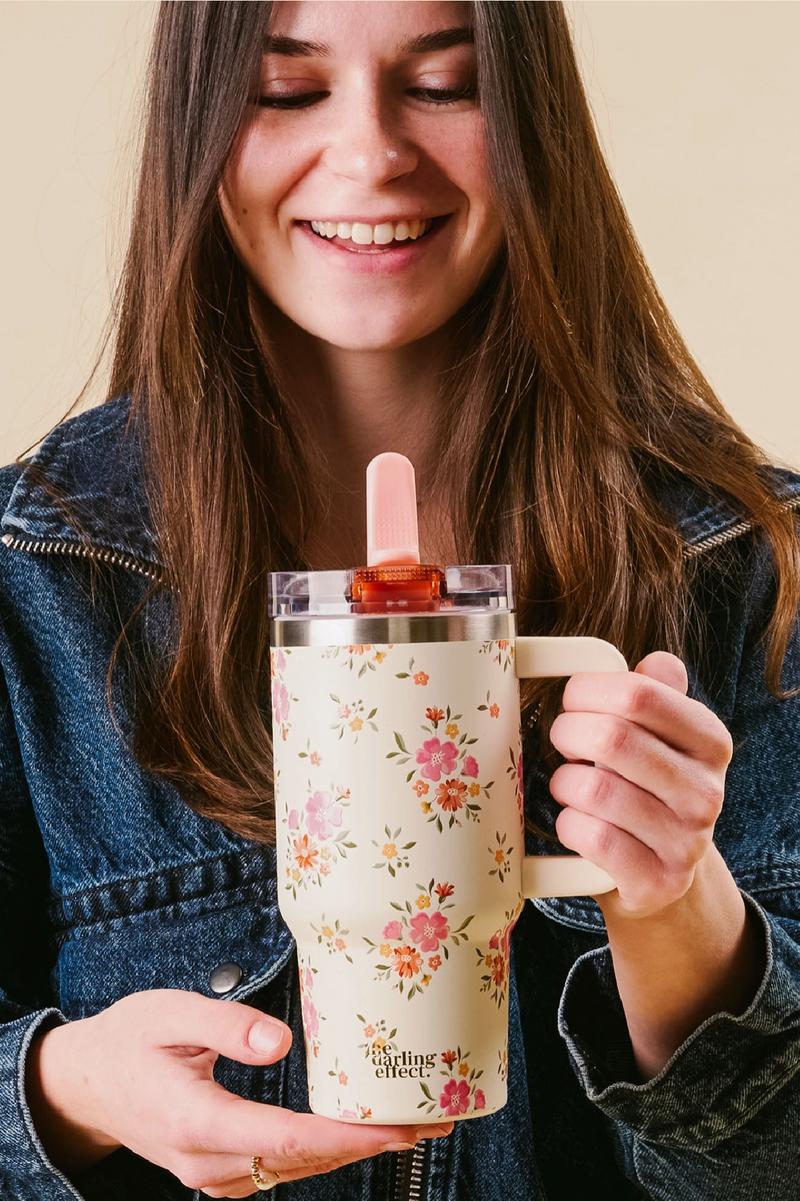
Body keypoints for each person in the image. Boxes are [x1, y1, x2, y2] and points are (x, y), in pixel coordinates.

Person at [1, 2, 799, 1198]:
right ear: (198, 131)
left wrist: (676, 909)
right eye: (285, 92)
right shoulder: (36, 577)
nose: (371, 152)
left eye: (441, 84)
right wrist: (65, 1091)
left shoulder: (752, 566)